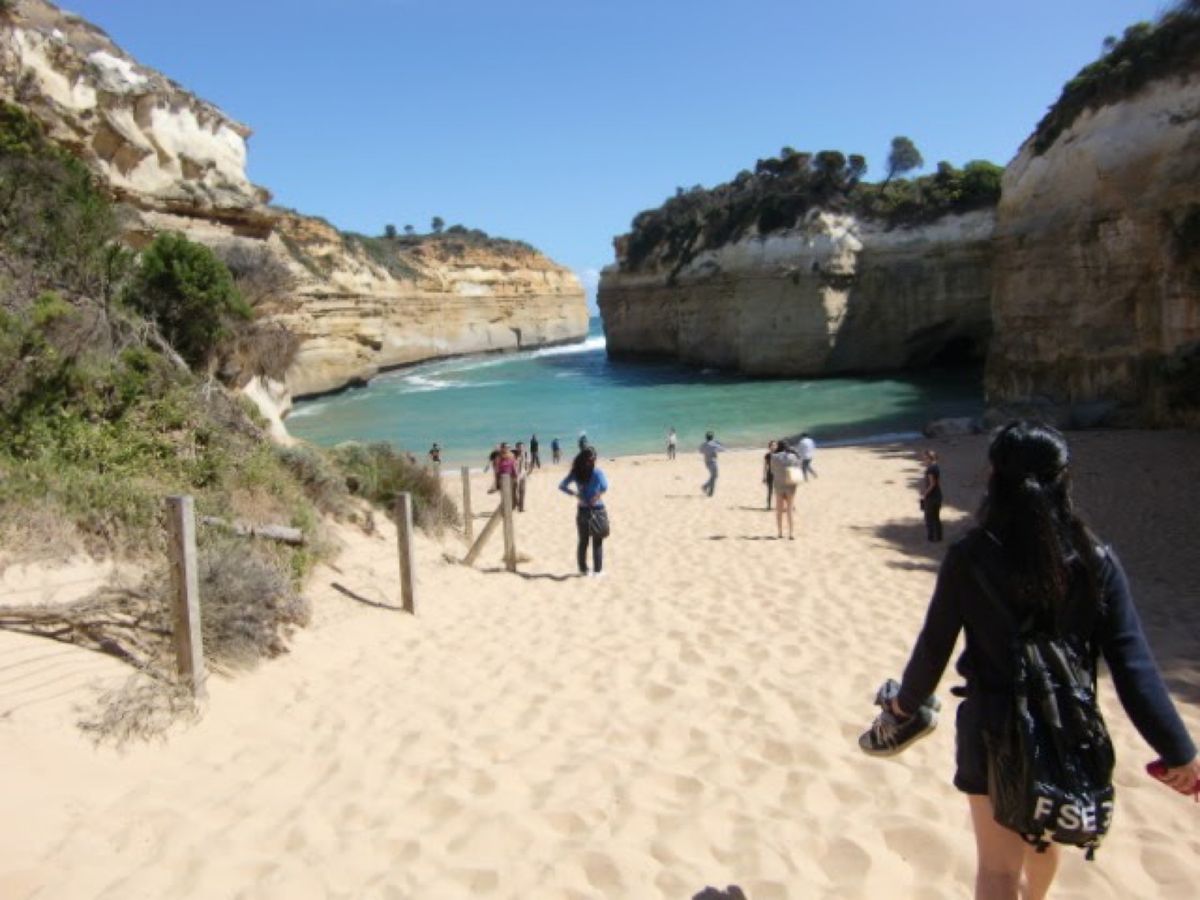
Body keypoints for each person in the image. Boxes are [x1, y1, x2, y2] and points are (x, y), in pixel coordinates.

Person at [861, 422, 1199, 900]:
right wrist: (1179, 752)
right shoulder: (1094, 559)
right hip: (1066, 729)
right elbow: (1132, 665)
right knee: (1042, 837)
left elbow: (933, 648)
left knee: (997, 872)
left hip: (991, 725)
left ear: (994, 476)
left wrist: (902, 709)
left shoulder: (971, 557)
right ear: (1063, 478)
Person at [559, 446, 608, 577]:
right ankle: (597, 571)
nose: (593, 461)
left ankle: (583, 570)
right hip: (597, 508)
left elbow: (562, 486)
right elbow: (604, 487)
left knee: (583, 541)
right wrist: (596, 497)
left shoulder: (576, 472)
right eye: (593, 459)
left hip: (582, 508)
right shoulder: (597, 472)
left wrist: (576, 494)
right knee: (597, 541)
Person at [769, 439, 802, 539]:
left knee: (779, 510)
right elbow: (799, 467)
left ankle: (780, 533)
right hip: (790, 484)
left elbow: (772, 470)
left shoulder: (774, 457)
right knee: (789, 510)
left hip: (779, 484)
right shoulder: (793, 456)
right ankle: (791, 533)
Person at [921, 449, 943, 542]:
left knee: (929, 518)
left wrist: (925, 494)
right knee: (936, 517)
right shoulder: (936, 467)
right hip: (938, 495)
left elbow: (932, 484)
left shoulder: (930, 469)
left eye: (925, 458)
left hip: (931, 497)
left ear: (930, 459)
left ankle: (931, 537)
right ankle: (939, 536)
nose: (924, 460)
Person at [698, 431, 725, 497]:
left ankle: (708, 490)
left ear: (706, 438)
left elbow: (700, 451)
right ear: (712, 437)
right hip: (713, 462)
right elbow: (722, 449)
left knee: (713, 476)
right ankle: (706, 488)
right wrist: (718, 443)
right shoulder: (713, 445)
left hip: (706, 462)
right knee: (714, 476)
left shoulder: (703, 444)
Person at [762, 440, 778, 509]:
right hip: (770, 474)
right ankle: (768, 505)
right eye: (772, 445)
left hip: (778, 474)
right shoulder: (767, 455)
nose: (774, 446)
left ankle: (788, 505)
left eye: (775, 445)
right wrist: (764, 476)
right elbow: (765, 466)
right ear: (769, 447)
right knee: (770, 490)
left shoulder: (779, 454)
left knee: (780, 491)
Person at [513, 441, 528, 512]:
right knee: (515, 492)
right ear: (516, 448)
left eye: (522, 447)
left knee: (522, 491)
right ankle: (515, 504)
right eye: (519, 447)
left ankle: (521, 508)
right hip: (516, 475)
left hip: (523, 474)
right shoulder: (514, 455)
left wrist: (527, 472)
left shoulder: (525, 454)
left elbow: (526, 463)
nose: (521, 448)